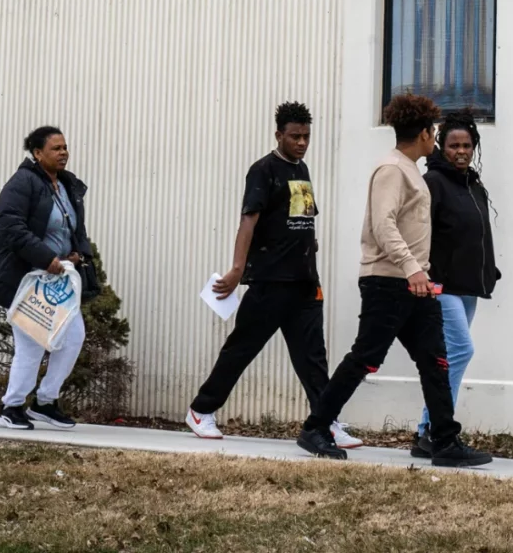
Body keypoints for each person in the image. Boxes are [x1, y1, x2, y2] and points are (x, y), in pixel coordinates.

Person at [295, 94, 492, 467]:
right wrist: (412, 268)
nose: (434, 139)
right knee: (365, 358)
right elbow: (382, 225)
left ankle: (443, 441)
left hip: (415, 285)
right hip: (387, 282)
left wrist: (421, 271)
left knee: (436, 361)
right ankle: (316, 427)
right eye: (432, 133)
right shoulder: (392, 170)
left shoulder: (409, 169)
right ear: (422, 133)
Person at [185, 102, 360, 450]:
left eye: (306, 136)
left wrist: (308, 243)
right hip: (270, 281)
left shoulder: (303, 169)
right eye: (294, 136)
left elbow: (301, 217)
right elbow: (248, 221)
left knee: (313, 358)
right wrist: (237, 270)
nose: (301, 143)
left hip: (305, 281)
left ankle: (325, 422)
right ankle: (200, 411)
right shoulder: (263, 170)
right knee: (241, 349)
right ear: (278, 134)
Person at [0, 126, 93, 431]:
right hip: (28, 277)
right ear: (37, 153)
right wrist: (46, 258)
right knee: (32, 343)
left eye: (65, 147)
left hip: (58, 279)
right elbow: (11, 226)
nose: (63, 153)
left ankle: (45, 401)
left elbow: (74, 230)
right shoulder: (23, 182)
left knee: (73, 338)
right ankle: (11, 407)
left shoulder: (67, 185)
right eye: (56, 148)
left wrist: (77, 254)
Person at [410, 110, 500, 458]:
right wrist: (423, 275)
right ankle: (437, 430)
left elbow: (474, 236)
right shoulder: (433, 182)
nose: (461, 151)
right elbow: (420, 233)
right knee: (461, 351)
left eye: (466, 145)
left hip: (468, 287)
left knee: (448, 358)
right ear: (441, 148)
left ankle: (425, 431)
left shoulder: (472, 183)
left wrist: (488, 270)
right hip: (441, 285)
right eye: (453, 145)